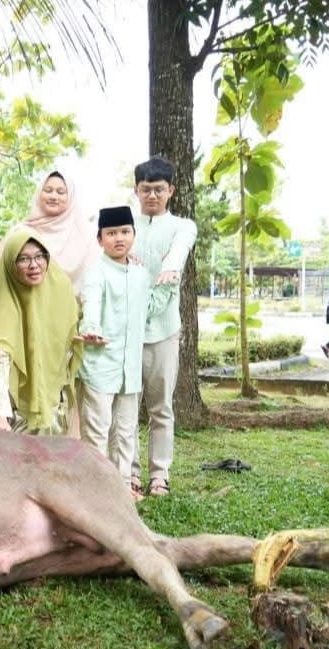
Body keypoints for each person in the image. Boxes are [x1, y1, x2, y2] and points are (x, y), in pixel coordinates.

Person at [77, 206, 173, 496]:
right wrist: (90, 327)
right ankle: (95, 491)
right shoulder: (96, 271)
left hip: (130, 370)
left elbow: (150, 307)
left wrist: (170, 282)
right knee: (97, 431)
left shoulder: (140, 274)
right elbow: (91, 302)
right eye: (111, 233)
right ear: (100, 239)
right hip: (99, 365)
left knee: (126, 432)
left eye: (124, 232)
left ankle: (120, 489)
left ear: (133, 235)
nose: (118, 238)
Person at [0, 228, 81, 434]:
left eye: (39, 256)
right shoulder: (4, 302)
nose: (34, 265)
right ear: (11, 263)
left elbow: (67, 348)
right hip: (11, 407)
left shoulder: (60, 288)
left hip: (52, 405)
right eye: (23, 259)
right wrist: (0, 416)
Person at [131, 156, 198, 497]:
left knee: (161, 407)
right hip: (127, 332)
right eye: (146, 189)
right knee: (126, 408)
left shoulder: (182, 226)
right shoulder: (126, 224)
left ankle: (160, 474)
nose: (152, 196)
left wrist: (170, 266)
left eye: (159, 189)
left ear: (171, 190)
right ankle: (129, 473)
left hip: (164, 330)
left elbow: (180, 250)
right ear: (136, 190)